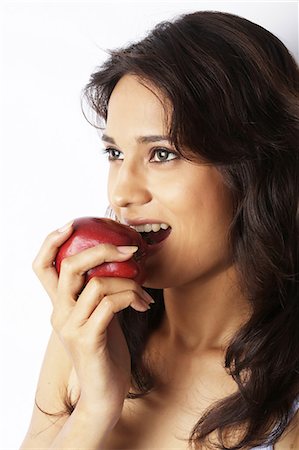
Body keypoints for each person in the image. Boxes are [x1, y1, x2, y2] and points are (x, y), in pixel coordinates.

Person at [20, 10, 299, 450]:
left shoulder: (285, 403)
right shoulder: (87, 335)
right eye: (114, 153)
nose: (122, 192)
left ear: (252, 169)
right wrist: (94, 409)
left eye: (162, 154)